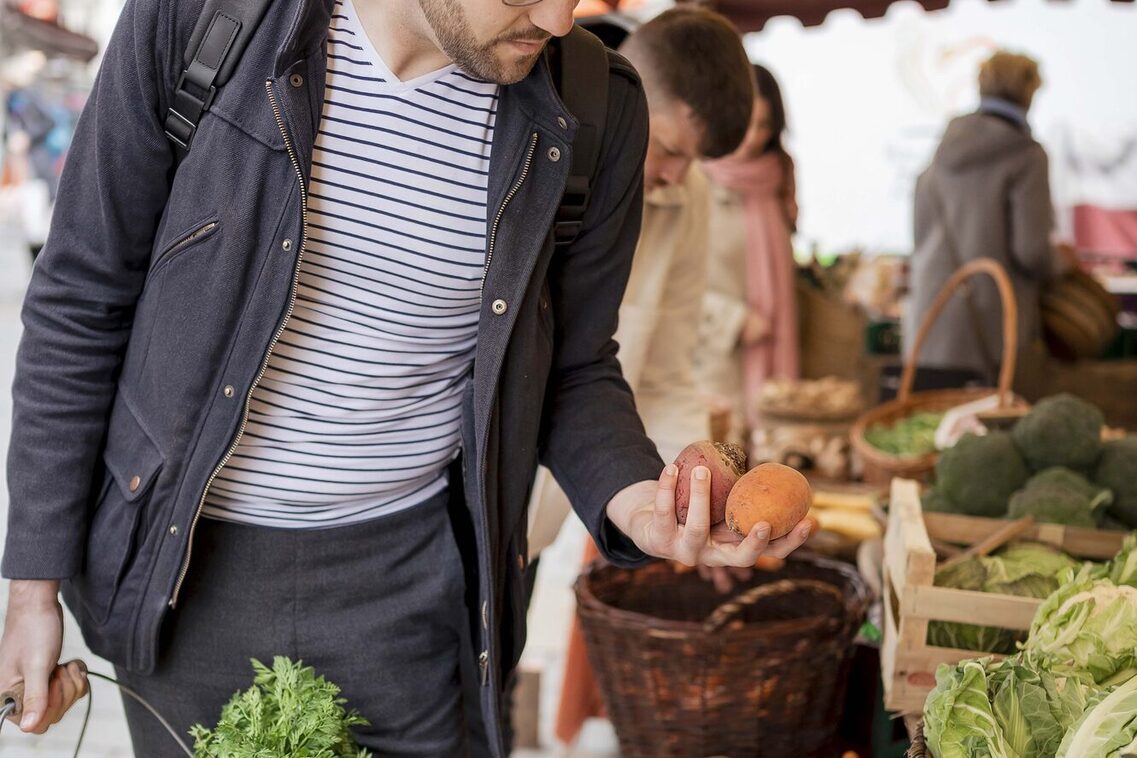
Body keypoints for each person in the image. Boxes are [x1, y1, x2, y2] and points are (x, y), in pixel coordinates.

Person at [0, 1, 810, 756]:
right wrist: (32, 584)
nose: (561, 19)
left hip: (415, 588)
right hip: (185, 581)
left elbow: (571, 366)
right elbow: (82, 295)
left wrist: (635, 502)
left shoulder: (594, 106)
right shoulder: (206, 19)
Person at [907, 50, 1068, 380]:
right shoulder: (1027, 155)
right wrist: (1062, 262)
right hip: (989, 331)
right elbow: (1031, 251)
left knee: (926, 427)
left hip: (928, 324)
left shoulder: (943, 150)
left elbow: (919, 233)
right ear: (1029, 91)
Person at [695, 63, 800, 449]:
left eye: (765, 125)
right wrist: (736, 319)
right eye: (746, 124)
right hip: (717, 362)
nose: (754, 138)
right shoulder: (691, 181)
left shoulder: (776, 178)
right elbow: (669, 282)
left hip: (779, 349)